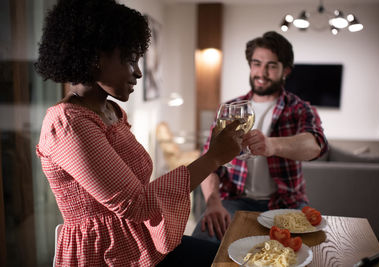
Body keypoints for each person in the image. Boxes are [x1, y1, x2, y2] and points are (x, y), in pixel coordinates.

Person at [34, 0, 244, 266]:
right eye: (130, 59)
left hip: (140, 242)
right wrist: (213, 158)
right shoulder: (67, 123)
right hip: (105, 255)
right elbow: (137, 204)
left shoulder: (112, 111)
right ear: (94, 56)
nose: (139, 72)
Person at [192, 31, 329, 243]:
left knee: (309, 249)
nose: (262, 73)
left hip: (287, 203)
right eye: (256, 63)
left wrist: (271, 145)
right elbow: (210, 160)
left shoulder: (300, 109)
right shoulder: (229, 110)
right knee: (200, 244)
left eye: (271, 66)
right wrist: (213, 202)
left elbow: (315, 146)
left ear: (286, 70)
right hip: (234, 201)